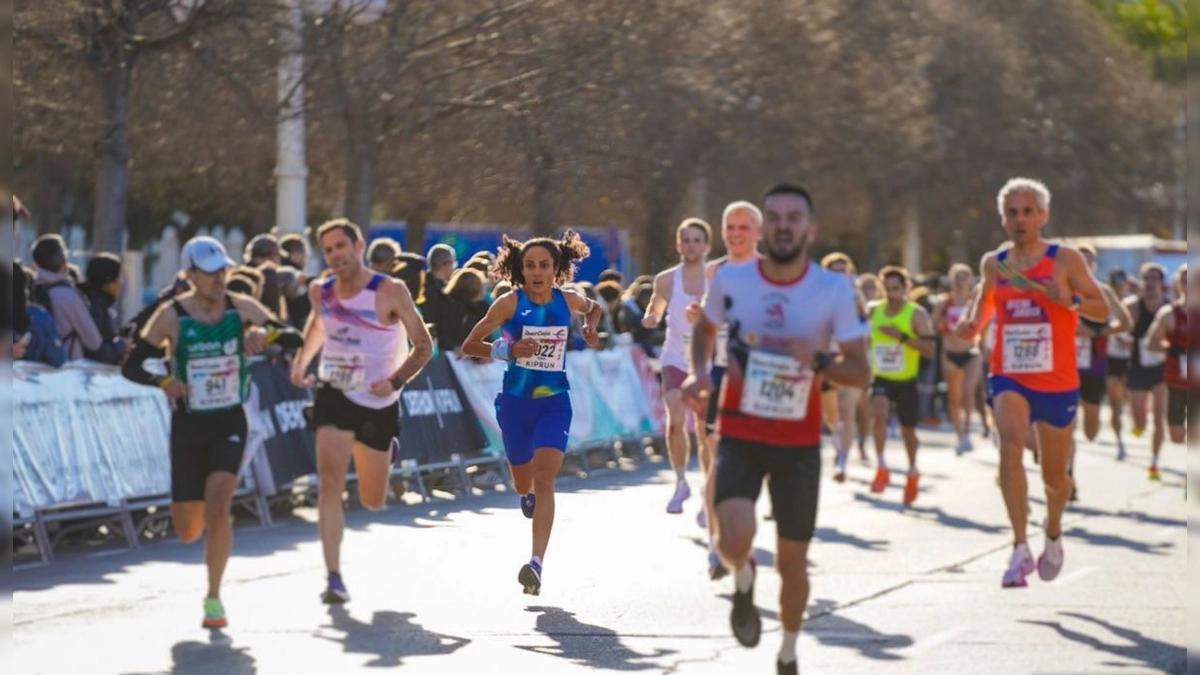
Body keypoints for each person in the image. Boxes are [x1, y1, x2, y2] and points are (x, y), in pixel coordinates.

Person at [682, 183, 869, 675]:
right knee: (732, 540)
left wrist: (822, 360)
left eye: (794, 217)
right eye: (776, 217)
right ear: (767, 226)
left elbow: (861, 371)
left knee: (792, 565)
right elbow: (704, 330)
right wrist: (700, 374)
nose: (785, 225)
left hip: (799, 445)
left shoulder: (832, 289)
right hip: (741, 434)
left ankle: (787, 651)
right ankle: (742, 579)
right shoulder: (732, 281)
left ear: (810, 228)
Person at [120, 236, 302, 628]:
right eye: (210, 273)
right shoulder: (172, 316)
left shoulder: (241, 307)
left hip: (228, 421)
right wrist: (165, 381)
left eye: (223, 270)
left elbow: (291, 336)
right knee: (187, 529)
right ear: (189, 275)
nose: (220, 279)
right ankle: (199, 523)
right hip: (188, 425)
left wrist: (262, 337)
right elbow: (132, 366)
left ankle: (214, 598)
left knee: (219, 507)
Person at [955, 177, 1107, 588]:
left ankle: (1052, 529)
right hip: (1009, 372)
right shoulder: (995, 262)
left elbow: (1101, 307)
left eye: (1027, 211)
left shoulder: (1065, 259)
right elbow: (987, 300)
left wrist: (1070, 300)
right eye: (1012, 212)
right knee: (1009, 445)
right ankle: (1019, 547)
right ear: (1003, 217)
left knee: (1055, 479)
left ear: (1043, 215)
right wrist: (973, 326)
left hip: (1056, 379)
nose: (1019, 219)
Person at [289, 219, 433, 604]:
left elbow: (423, 345)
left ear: (359, 245)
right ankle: (333, 576)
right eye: (329, 250)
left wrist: (396, 381)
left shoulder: (389, 290)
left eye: (341, 246)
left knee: (372, 499)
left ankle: (387, 452)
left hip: (378, 400)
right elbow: (319, 324)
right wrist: (303, 360)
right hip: (334, 393)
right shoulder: (321, 291)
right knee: (329, 483)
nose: (336, 255)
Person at [461, 230, 601, 596]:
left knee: (545, 478)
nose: (537, 272)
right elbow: (469, 344)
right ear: (520, 269)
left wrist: (590, 326)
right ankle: (525, 495)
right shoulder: (509, 304)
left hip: (554, 403)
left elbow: (594, 307)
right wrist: (507, 351)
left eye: (544, 265)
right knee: (524, 483)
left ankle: (536, 564)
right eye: (530, 266)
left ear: (557, 269)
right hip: (516, 404)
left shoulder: (568, 300)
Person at [698, 201, 763, 580]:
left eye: (743, 227)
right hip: (722, 374)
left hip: (760, 376)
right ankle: (715, 544)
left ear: (757, 232)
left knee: (753, 466)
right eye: (730, 227)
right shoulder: (714, 270)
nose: (736, 234)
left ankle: (741, 541)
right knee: (719, 460)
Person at [642, 218, 713, 515]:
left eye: (698, 240)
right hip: (675, 358)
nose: (692, 245)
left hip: (707, 360)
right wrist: (651, 318)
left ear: (707, 245)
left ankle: (708, 489)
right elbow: (655, 308)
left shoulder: (717, 277)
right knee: (675, 420)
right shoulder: (667, 279)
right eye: (687, 240)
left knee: (704, 428)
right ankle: (681, 482)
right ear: (678, 244)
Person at [867, 266, 936, 506]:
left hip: (906, 380)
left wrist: (902, 336)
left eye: (895, 288)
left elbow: (930, 349)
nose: (891, 294)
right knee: (878, 414)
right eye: (886, 289)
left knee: (908, 431)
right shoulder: (873, 312)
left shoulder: (916, 314)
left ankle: (912, 471)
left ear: (906, 288)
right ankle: (882, 465)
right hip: (881, 377)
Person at [819, 252, 869, 483]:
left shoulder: (856, 298)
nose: (839, 275)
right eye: (834, 271)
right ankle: (838, 445)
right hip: (826, 362)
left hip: (850, 360)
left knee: (847, 410)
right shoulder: (816, 295)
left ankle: (842, 462)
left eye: (843, 270)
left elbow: (864, 331)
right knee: (832, 416)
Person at [30, 234, 113, 361]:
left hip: (32, 366)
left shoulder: (29, 289)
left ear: (36, 263)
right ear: (64, 262)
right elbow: (94, 342)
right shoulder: (68, 295)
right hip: (66, 367)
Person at [1123, 262, 1169, 477]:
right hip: (1138, 367)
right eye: (1147, 279)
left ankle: (1154, 462)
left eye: (1155, 279)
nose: (1151, 283)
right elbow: (1120, 329)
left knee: (1159, 418)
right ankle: (1139, 422)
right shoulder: (1133, 305)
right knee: (1140, 421)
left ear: (1162, 283)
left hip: (1162, 368)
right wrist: (1124, 340)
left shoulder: (1168, 308)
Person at [932, 263, 983, 453]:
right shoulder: (943, 302)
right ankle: (959, 434)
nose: (961, 280)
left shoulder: (975, 302)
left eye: (964, 276)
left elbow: (984, 325)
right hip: (950, 352)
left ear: (971, 279)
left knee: (968, 391)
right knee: (954, 397)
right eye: (957, 276)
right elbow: (933, 324)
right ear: (951, 279)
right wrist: (944, 325)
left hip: (971, 352)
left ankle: (968, 431)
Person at [1144, 264, 1188, 461]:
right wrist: (1170, 348)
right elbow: (1150, 343)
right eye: (1185, 281)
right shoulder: (1169, 313)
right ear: (1178, 285)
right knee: (1177, 436)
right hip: (1176, 380)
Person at [1103, 267, 1135, 459]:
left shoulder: (1134, 304)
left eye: (1120, 284)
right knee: (1115, 403)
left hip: (1132, 360)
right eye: (1113, 284)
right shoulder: (1104, 304)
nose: (1117, 288)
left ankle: (1135, 423)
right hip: (1111, 359)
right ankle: (1119, 442)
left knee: (1130, 399)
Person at [79, 253, 129, 365]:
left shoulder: (96, 304)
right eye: (118, 278)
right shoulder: (95, 308)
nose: (120, 283)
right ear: (108, 282)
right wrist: (122, 345)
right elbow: (97, 352)